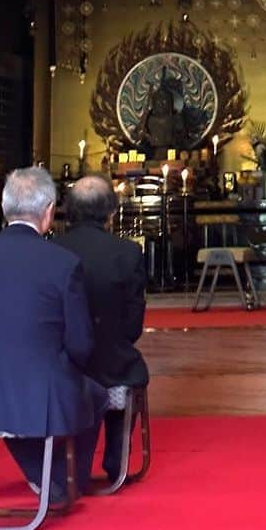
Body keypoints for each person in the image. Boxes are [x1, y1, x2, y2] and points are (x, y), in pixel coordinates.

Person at [0, 166, 106, 501]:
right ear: (48, 212)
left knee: (9, 395)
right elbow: (80, 344)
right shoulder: (62, 262)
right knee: (94, 393)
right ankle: (64, 479)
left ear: (3, 208)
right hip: (37, 389)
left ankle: (52, 478)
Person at [59, 176, 149, 484]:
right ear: (111, 211)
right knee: (130, 369)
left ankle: (66, 459)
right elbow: (133, 325)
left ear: (67, 210)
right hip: (111, 359)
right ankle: (115, 456)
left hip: (64, 363)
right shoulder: (127, 252)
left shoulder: (52, 250)